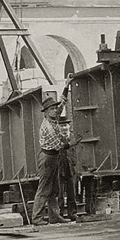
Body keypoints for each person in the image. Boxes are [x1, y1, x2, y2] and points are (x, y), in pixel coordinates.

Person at [31, 95, 72, 225]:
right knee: (44, 189)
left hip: (53, 158)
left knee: (54, 189)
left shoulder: (53, 119)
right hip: (48, 158)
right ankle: (36, 218)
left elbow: (62, 105)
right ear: (47, 112)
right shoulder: (48, 127)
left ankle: (54, 216)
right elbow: (58, 146)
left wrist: (66, 85)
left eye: (55, 108)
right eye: (53, 109)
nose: (56, 110)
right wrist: (72, 143)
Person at [57, 116, 78, 221]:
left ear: (69, 126)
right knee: (59, 193)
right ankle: (59, 214)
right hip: (59, 168)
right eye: (61, 126)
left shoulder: (73, 137)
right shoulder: (56, 138)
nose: (64, 128)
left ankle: (72, 213)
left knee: (72, 192)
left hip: (71, 168)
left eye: (65, 125)